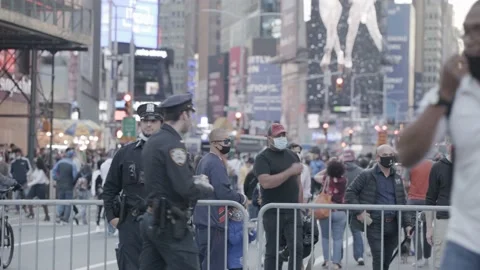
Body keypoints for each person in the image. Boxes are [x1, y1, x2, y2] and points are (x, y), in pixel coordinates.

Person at [397, 3, 480, 269]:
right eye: (467, 32)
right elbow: (407, 153)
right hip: (466, 242)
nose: (470, 39)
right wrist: (444, 95)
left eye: (478, 30)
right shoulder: (453, 91)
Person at [140, 93, 214, 270]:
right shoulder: (173, 144)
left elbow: (164, 179)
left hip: (152, 217)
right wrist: (205, 187)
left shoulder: (154, 141)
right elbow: (184, 188)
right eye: (190, 115)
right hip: (170, 223)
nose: (190, 120)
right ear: (184, 115)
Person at [102, 103, 163, 270]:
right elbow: (109, 188)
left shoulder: (169, 152)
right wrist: (111, 217)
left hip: (161, 222)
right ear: (140, 123)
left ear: (161, 123)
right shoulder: (125, 153)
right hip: (131, 223)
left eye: (154, 120)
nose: (149, 124)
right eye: (145, 120)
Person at [345, 144, 413, 270]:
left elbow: (402, 203)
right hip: (374, 223)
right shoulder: (367, 175)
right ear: (378, 157)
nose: (389, 158)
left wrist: (408, 224)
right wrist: (359, 212)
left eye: (391, 155)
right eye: (385, 155)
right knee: (378, 257)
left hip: (393, 225)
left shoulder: (397, 178)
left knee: (387, 260)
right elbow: (350, 192)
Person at [193, 128, 247, 270]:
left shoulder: (204, 161)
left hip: (203, 222)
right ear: (215, 143)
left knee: (204, 264)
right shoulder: (215, 163)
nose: (229, 144)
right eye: (226, 141)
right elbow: (224, 192)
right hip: (214, 224)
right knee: (215, 265)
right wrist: (241, 199)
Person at [253, 123, 304, 270]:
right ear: (269, 138)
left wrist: (301, 207)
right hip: (272, 211)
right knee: (272, 250)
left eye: (283, 135)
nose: (282, 138)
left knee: (297, 248)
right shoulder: (262, 158)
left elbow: (298, 184)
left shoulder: (293, 156)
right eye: (278, 136)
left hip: (293, 210)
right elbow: (266, 182)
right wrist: (289, 172)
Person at [313, 159, 347, 269]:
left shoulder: (325, 179)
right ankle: (336, 262)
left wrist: (326, 170)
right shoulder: (344, 181)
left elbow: (315, 176)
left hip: (325, 211)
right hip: (340, 211)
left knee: (325, 237)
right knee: (338, 238)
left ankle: (327, 260)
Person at [425, 141, 453, 270]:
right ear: (447, 145)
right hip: (443, 220)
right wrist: (429, 228)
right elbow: (430, 199)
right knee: (440, 262)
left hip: (467, 222)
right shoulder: (437, 167)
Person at [404, 159, 433, 267]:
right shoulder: (432, 164)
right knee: (428, 228)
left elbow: (406, 183)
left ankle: (418, 258)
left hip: (413, 200)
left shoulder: (410, 163)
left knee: (415, 229)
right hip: (428, 200)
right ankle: (426, 258)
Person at [342, 149, 365, 265]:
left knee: (338, 234)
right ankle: (359, 256)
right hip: (356, 205)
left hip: (340, 205)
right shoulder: (361, 171)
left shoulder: (339, 171)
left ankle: (337, 258)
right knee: (356, 231)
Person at [52, 148, 78, 224]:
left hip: (60, 185)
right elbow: (75, 176)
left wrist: (57, 178)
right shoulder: (73, 164)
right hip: (69, 185)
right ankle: (65, 218)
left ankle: (59, 215)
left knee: (60, 201)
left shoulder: (59, 162)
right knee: (68, 202)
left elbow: (54, 172)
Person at [10, 148, 32, 214]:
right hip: (16, 183)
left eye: (18, 152)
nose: (17, 153)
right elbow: (10, 172)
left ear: (20, 153)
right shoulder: (13, 162)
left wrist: (26, 174)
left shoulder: (25, 160)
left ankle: (26, 209)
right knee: (16, 197)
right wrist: (13, 177)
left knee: (26, 196)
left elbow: (30, 169)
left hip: (24, 182)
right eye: (16, 152)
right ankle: (17, 209)